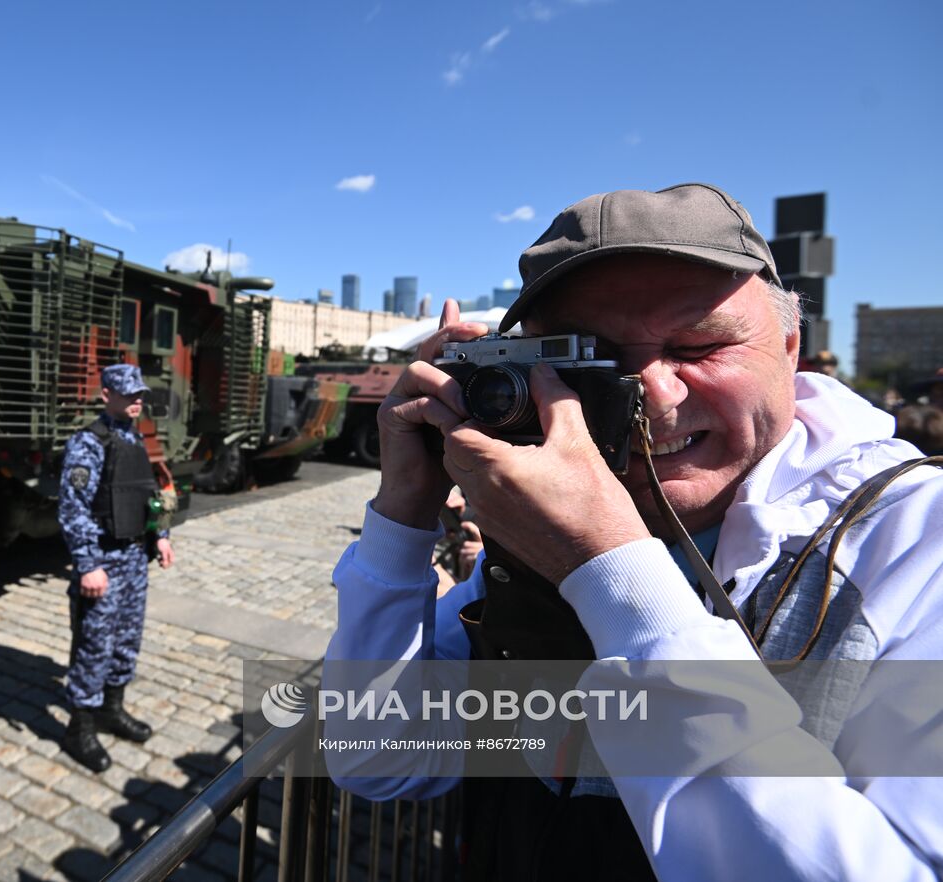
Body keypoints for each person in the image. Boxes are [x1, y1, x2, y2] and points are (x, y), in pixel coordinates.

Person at [325, 183, 943, 880]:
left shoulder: (914, 540)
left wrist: (612, 570)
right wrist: (403, 512)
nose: (654, 394)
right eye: (596, 358)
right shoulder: (536, 536)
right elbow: (376, 756)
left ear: (791, 348)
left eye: (699, 345)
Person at [58, 363, 176, 772]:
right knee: (94, 645)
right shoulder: (87, 444)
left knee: (126, 640)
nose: (137, 400)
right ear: (106, 394)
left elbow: (151, 494)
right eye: (129, 394)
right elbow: (73, 509)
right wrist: (88, 564)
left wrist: (161, 534)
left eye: (140, 393)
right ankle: (80, 727)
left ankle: (113, 708)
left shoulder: (135, 439)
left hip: (133, 561)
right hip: (104, 562)